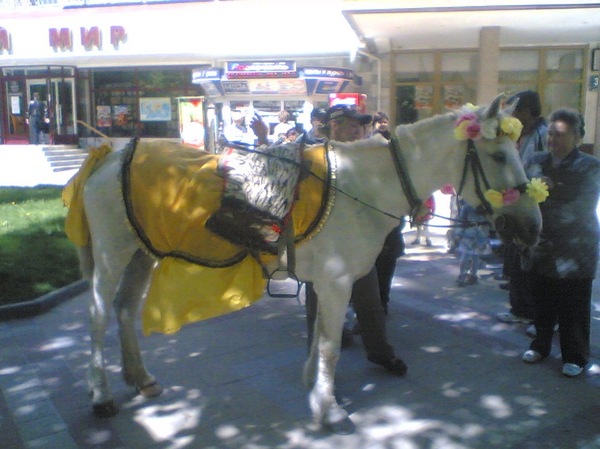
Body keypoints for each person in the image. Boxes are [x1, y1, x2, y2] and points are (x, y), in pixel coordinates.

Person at [305, 104, 407, 376]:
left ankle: (380, 352)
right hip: (322, 250)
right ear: (334, 126)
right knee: (319, 308)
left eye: (360, 126)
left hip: (359, 248)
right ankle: (319, 366)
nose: (358, 131)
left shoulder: (366, 158)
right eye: (352, 125)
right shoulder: (314, 157)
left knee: (371, 304)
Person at [520, 108, 600, 377]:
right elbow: (521, 194)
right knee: (542, 300)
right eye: (551, 133)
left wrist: (553, 189)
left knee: (573, 306)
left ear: (577, 137)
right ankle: (540, 345)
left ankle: (575, 356)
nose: (553, 139)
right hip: (541, 246)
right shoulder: (536, 160)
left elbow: (583, 206)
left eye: (560, 135)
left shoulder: (590, 166)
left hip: (576, 249)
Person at [496, 91, 548, 325]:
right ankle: (519, 309)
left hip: (535, 202)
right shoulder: (518, 133)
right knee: (516, 258)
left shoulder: (543, 134)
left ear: (527, 111)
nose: (512, 115)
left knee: (531, 261)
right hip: (517, 201)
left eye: (515, 110)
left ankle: (533, 313)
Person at [454, 201, 491, 286]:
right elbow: (461, 220)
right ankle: (463, 276)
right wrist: (458, 234)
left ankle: (473, 276)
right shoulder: (467, 205)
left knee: (475, 258)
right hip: (469, 236)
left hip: (480, 236)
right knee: (465, 257)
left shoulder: (487, 204)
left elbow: (490, 220)